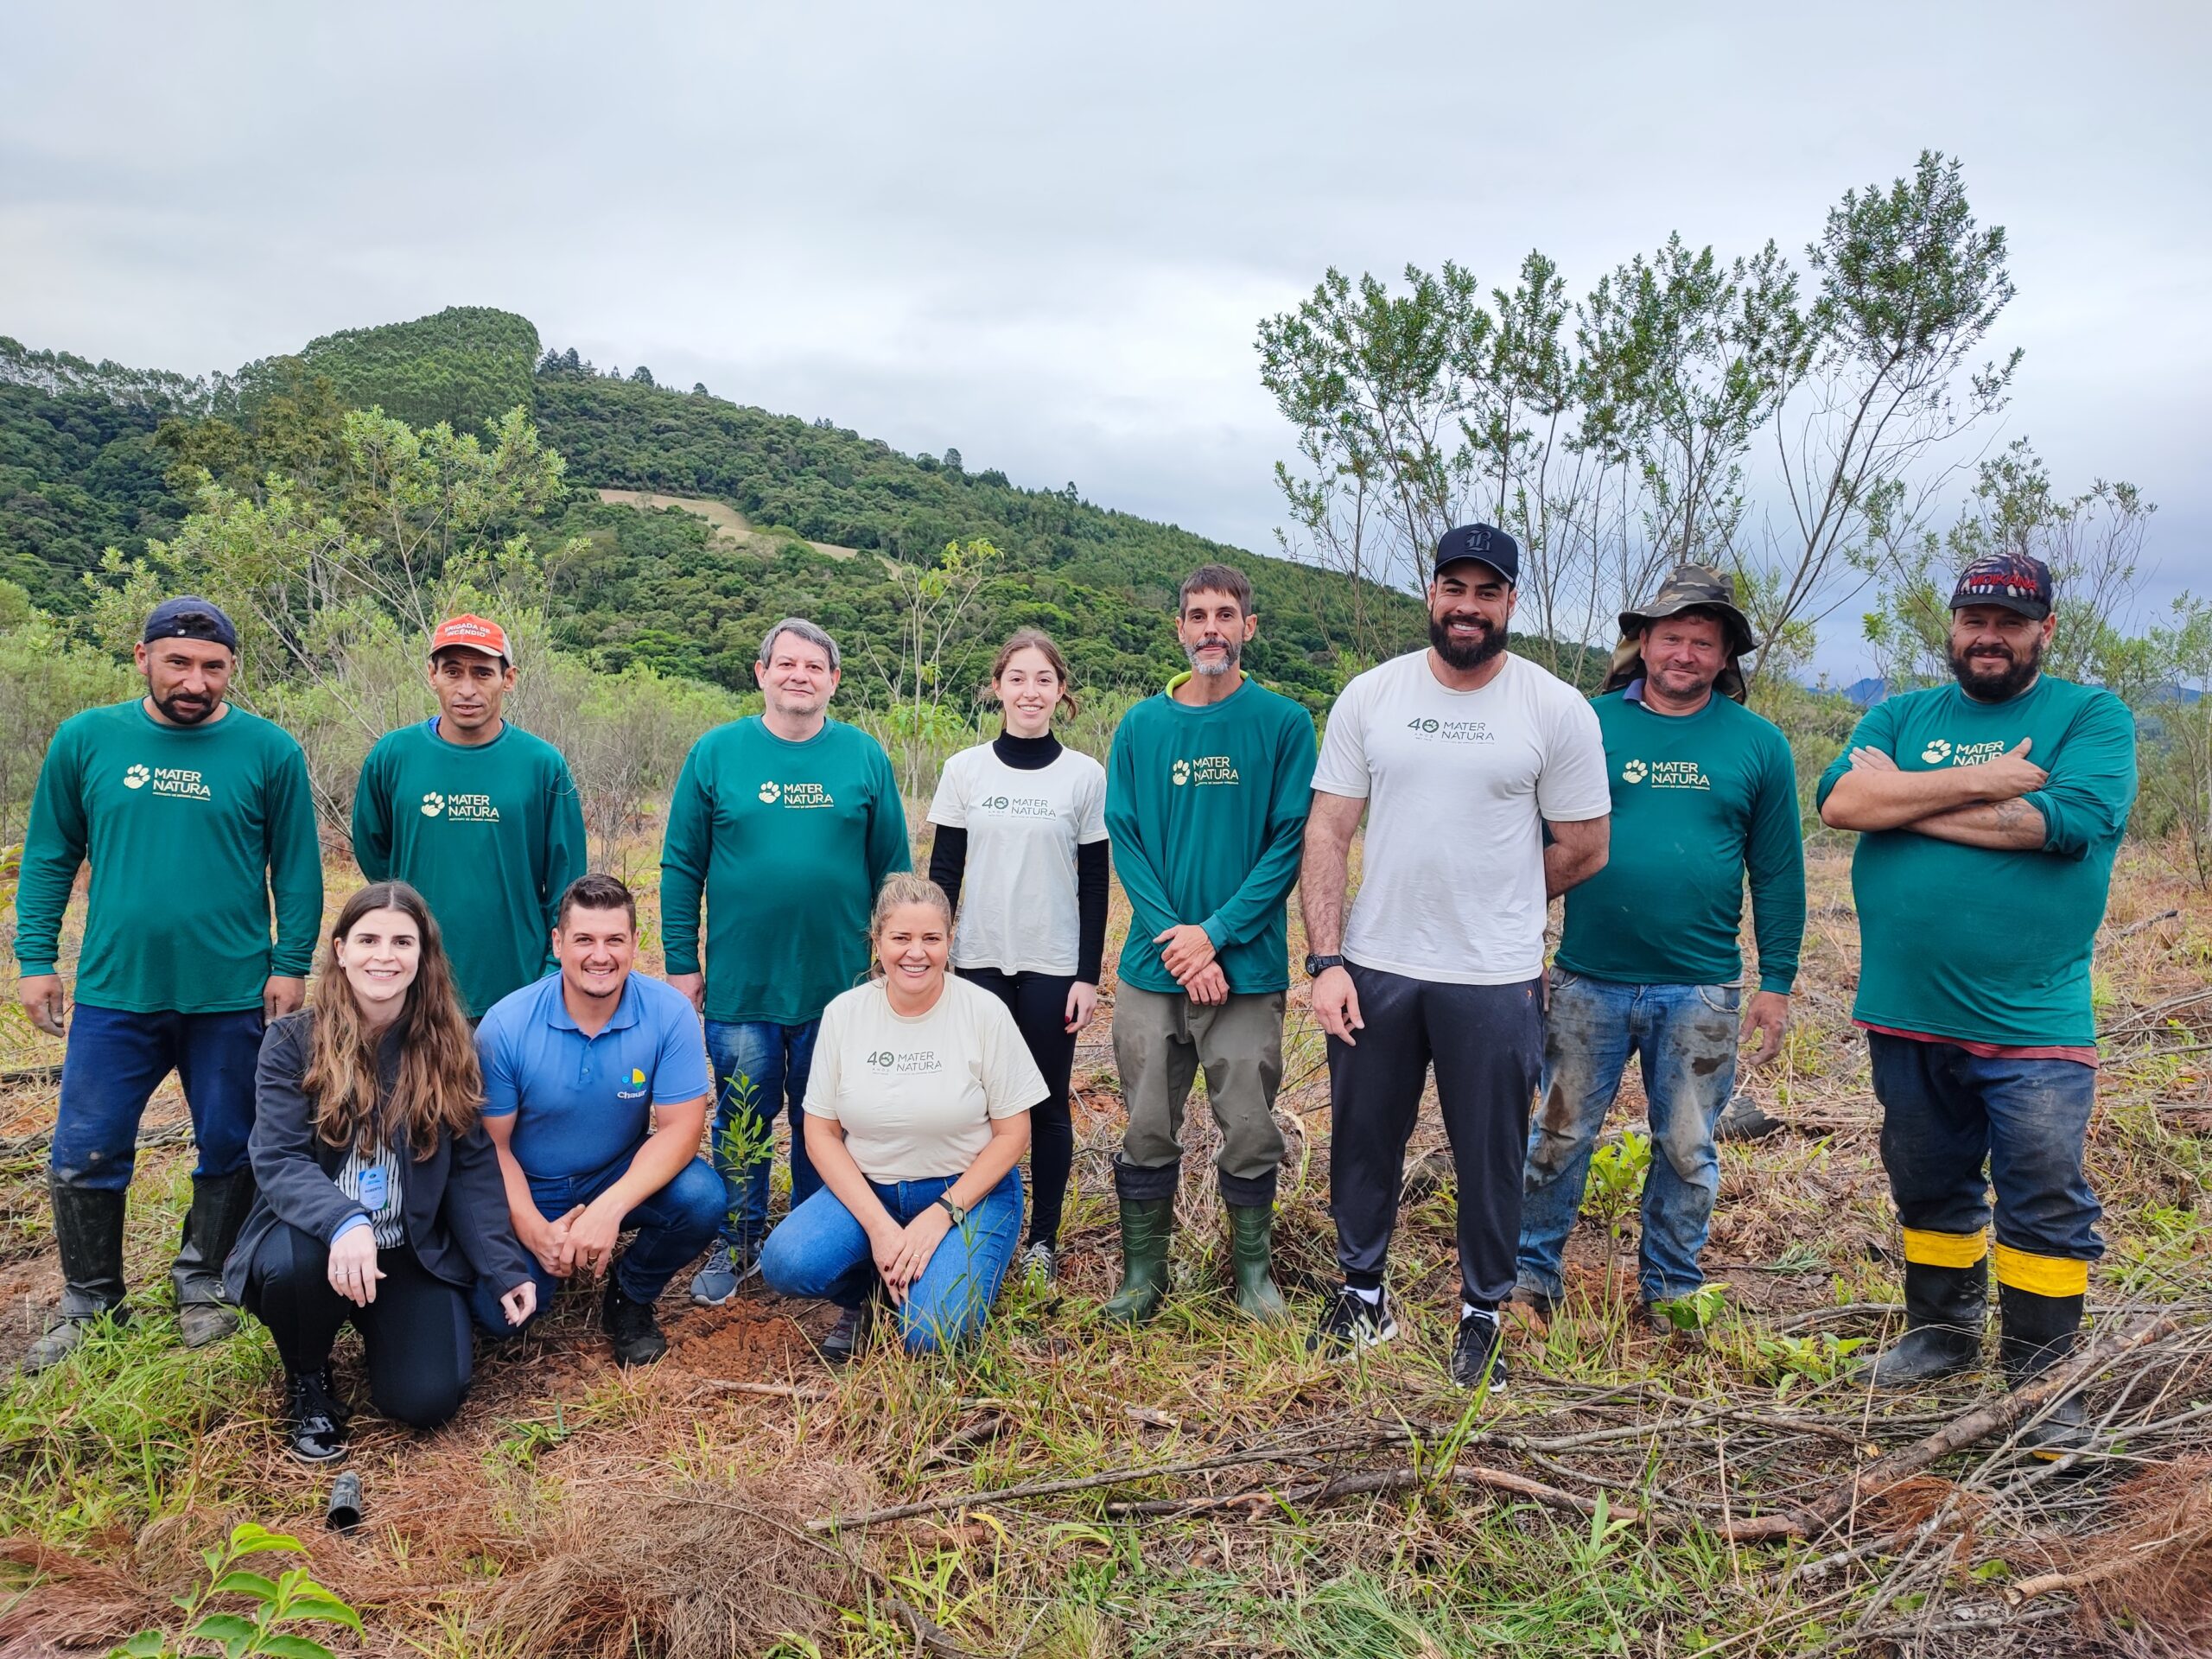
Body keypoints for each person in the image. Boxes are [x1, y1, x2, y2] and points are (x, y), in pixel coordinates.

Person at [1818, 552, 2135, 1454]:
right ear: (1952, 626)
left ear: (2043, 629)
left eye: (2009, 621)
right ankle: (1941, 1334)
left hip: (2030, 1019)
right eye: (1973, 618)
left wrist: (1901, 801)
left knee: (2042, 1191)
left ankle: (2045, 1381)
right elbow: (1841, 803)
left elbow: (2058, 824)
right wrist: (1988, 780)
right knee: (1926, 1178)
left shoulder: (2089, 717)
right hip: (1905, 1007)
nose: (1987, 635)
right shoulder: (1902, 712)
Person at [1303, 525, 1610, 1389]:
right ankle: (1362, 1294)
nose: (1466, 606)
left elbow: (1585, 845)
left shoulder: (1553, 709)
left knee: (1487, 1151)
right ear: (1430, 594)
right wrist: (1325, 960)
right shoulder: (1372, 696)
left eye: (1486, 591)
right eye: (1453, 588)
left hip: (1493, 974)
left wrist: (1505, 895)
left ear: (1509, 601)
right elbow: (1327, 831)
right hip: (1376, 965)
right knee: (1363, 1140)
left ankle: (1482, 1313)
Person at [16, 596, 323, 1371]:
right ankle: (90, 1299)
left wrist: (291, 965)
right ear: (142, 656)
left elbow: (297, 869)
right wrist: (34, 959)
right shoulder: (88, 740)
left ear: (231, 671)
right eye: (178, 662)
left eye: (213, 667)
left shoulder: (269, 750)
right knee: (85, 1146)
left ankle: (207, 1280)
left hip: (231, 994)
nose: (195, 680)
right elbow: (50, 855)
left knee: (232, 1143)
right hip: (117, 990)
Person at [1515, 563, 1806, 1335]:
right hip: (1587, 979)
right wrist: (1517, 949)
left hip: (1702, 988)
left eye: (1703, 643)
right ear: (1642, 643)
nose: (1686, 653)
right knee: (1559, 1134)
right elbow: (1529, 842)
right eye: (1671, 637)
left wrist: (1776, 982)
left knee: (1686, 1145)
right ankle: (1528, 1279)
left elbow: (1778, 873)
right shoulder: (1586, 723)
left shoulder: (1759, 746)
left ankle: (1672, 1288)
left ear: (1724, 658)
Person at [227, 882, 537, 1461]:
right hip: (312, 1239)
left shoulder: (450, 1044)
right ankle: (308, 1376)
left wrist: (502, 1266)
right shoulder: (292, 1042)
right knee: (298, 1268)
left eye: (402, 941)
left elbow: (470, 1168)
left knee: (427, 1399)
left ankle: (378, 1325)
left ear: (423, 956)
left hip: (405, 1248)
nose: (384, 956)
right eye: (368, 939)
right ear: (341, 950)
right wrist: (344, 1221)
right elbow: (279, 1159)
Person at [661, 618, 912, 1305]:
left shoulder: (863, 758)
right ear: (762, 672)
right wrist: (682, 963)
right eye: (787, 664)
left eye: (815, 667)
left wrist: (896, 966)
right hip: (745, 986)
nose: (800, 675)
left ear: (833, 681)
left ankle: (808, 1240)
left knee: (824, 1122)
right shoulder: (717, 754)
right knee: (742, 1119)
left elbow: (894, 871)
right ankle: (738, 1242)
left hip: (842, 988)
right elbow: (682, 864)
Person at [1098, 563, 1316, 1325]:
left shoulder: (1284, 724)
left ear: (1249, 627)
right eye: (1197, 614)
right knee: (1148, 1121)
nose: (1211, 627)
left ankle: (1251, 1275)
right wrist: (1176, 942)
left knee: (1250, 1124)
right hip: (1153, 970)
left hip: (1246, 969)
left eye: (1226, 613)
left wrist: (1215, 936)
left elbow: (1288, 842)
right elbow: (1126, 840)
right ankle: (1142, 1276)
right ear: (1180, 629)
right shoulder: (1141, 727)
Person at [760, 874, 1043, 1360]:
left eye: (931, 938)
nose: (917, 953)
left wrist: (939, 1217)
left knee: (929, 1337)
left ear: (950, 942)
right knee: (788, 1263)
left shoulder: (983, 1013)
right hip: (871, 1191)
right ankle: (866, 1293)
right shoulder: (845, 1014)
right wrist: (880, 1228)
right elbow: (822, 1132)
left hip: (967, 1195)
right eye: (901, 938)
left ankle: (936, 1276)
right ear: (877, 942)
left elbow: (1014, 1133)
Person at [474, 874, 724, 1365]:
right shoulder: (506, 1025)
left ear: (634, 943)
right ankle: (547, 1258)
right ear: (558, 942)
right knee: (496, 1317)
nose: (600, 955)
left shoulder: (668, 1012)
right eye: (584, 939)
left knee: (702, 1198)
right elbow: (492, 1147)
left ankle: (629, 1294)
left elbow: (681, 1129)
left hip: (614, 1169)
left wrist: (607, 1210)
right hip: (532, 1184)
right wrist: (531, 1228)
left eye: (614, 940)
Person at [926, 630, 1109, 1283]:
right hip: (977, 958)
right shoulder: (965, 770)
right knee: (973, 1102)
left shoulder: (1085, 775)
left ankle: (1043, 1239)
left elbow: (1094, 882)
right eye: (1018, 678)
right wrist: (932, 955)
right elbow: (944, 873)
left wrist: (1088, 975)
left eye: (1044, 680)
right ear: (997, 686)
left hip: (1052, 965)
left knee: (1045, 1103)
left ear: (1061, 693)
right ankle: (971, 1224)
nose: (1030, 691)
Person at [351, 613, 587, 1020]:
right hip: (413, 981)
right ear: (432, 675)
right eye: (452, 671)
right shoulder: (393, 756)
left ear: (508, 678)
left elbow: (568, 880)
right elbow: (375, 855)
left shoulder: (541, 764)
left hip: (516, 983)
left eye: (482, 673)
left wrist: (552, 970)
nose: (466, 689)